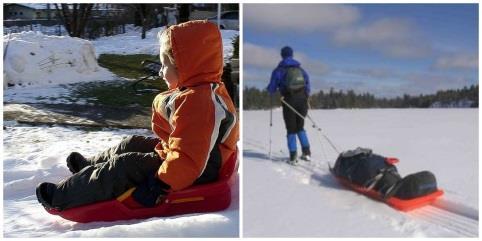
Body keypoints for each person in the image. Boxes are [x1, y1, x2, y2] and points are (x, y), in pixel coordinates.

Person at [36, 20, 239, 211]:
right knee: (130, 143)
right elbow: (186, 144)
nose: (160, 72)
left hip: (197, 171)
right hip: (188, 158)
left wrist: (161, 183)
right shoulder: (197, 90)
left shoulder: (199, 103)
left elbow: (189, 157)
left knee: (126, 166)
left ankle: (61, 198)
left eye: (164, 65)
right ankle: (88, 168)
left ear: (185, 66)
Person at [267, 46, 311, 164]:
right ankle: (307, 153)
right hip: (302, 101)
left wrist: (271, 90)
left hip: (289, 101)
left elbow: (272, 88)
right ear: (292, 55)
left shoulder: (279, 70)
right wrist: (305, 96)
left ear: (282, 55)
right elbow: (307, 84)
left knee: (291, 129)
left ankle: (293, 156)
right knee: (300, 127)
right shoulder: (300, 69)